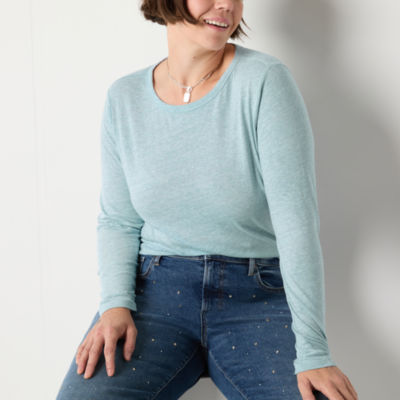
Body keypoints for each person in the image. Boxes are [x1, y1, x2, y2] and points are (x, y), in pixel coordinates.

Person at [56, 1, 358, 399]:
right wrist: (115, 304)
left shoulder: (263, 81)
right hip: (154, 294)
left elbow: (295, 224)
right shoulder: (124, 98)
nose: (227, 5)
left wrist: (314, 351)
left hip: (254, 294)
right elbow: (119, 220)